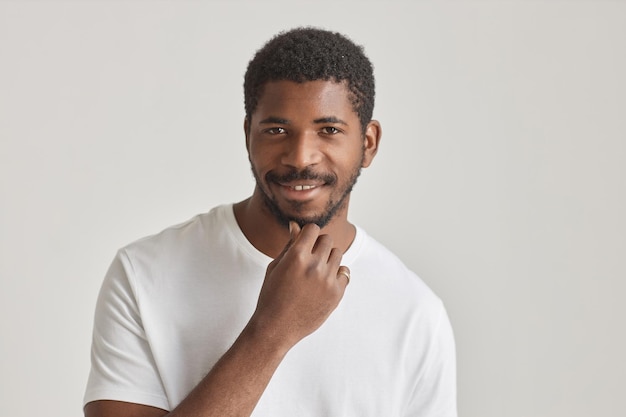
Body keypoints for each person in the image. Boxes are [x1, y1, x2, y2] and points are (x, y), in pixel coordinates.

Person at [83, 27, 457, 417]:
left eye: (329, 130)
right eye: (276, 130)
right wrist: (274, 330)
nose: (301, 157)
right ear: (248, 135)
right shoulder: (145, 274)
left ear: (368, 143)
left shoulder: (416, 313)